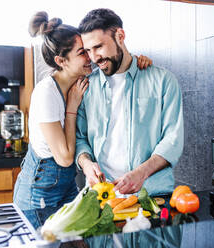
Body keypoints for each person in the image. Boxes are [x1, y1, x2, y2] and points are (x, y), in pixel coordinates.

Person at [13, 11, 153, 212]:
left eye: (88, 49)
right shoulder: (46, 93)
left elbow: (119, 61)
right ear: (61, 61)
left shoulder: (79, 83)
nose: (91, 57)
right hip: (38, 193)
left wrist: (140, 62)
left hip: (66, 186)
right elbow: (65, 158)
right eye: (82, 52)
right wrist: (71, 109)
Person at [75, 8, 184, 196]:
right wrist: (85, 164)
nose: (94, 58)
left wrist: (140, 173)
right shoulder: (86, 87)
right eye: (88, 50)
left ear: (120, 36)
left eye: (99, 47)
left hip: (151, 195)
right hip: (100, 196)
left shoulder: (163, 81)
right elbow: (80, 137)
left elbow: (172, 140)